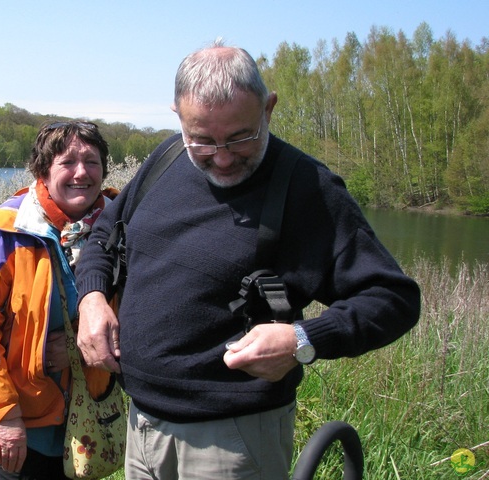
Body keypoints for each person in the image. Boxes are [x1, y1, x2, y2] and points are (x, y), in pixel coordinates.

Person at [74, 40, 421, 479]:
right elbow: (106, 234)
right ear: (178, 117)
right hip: (142, 424)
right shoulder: (166, 158)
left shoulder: (308, 189)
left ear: (269, 108)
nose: (221, 157)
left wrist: (302, 340)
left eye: (241, 137)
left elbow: (393, 298)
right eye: (202, 139)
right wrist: (92, 298)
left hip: (232, 440)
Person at [0, 121, 117, 479]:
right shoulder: (10, 229)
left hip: (87, 412)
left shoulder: (119, 225)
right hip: (17, 418)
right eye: (67, 162)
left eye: (91, 161)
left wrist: (79, 348)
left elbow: (143, 313)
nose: (81, 173)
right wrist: (6, 416)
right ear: (43, 170)